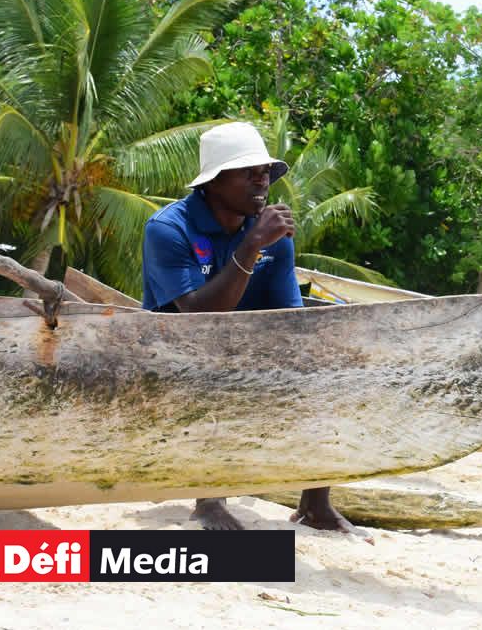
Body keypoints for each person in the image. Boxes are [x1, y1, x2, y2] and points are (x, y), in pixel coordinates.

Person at [141, 121, 364, 539]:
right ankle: (210, 498)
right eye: (248, 172)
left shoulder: (272, 234)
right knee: (216, 375)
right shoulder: (169, 229)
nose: (262, 180)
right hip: (177, 354)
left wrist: (310, 361)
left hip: (248, 346)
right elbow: (194, 320)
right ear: (214, 183)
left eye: (265, 171)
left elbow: (288, 317)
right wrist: (249, 248)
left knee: (331, 374)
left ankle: (315, 504)